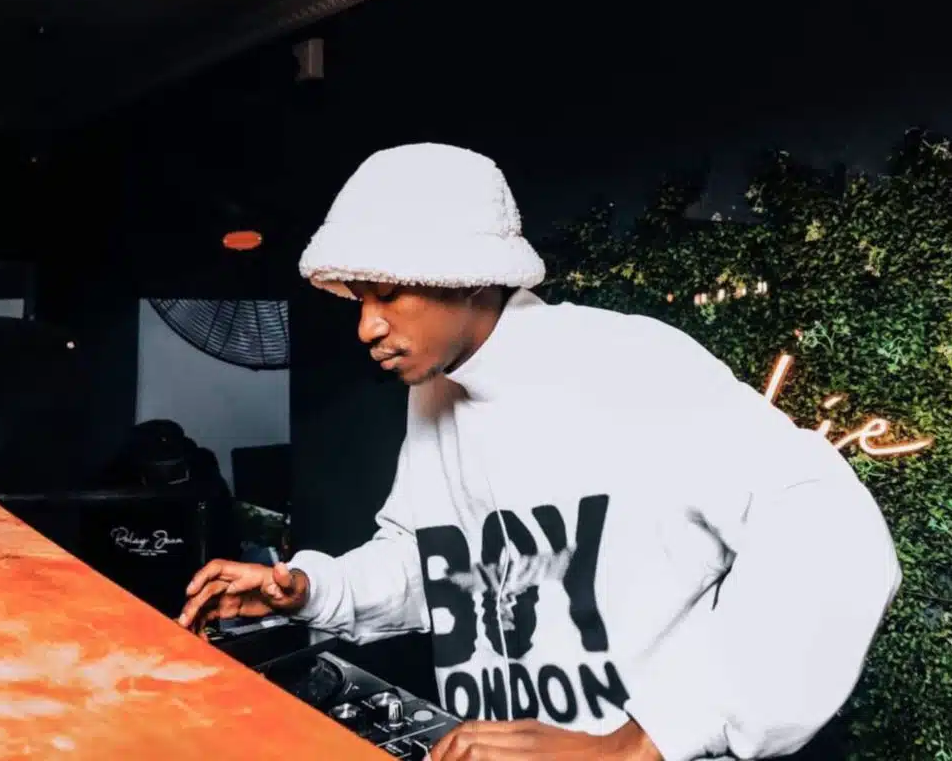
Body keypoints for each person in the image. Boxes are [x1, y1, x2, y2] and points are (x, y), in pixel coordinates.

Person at [179, 143, 901, 761]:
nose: (366, 326)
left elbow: (835, 536)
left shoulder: (631, 364)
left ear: (468, 274)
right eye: (359, 296)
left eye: (390, 292)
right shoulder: (435, 391)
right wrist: (312, 589)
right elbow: (437, 564)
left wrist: (638, 743)